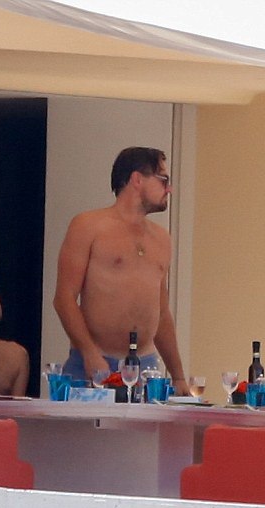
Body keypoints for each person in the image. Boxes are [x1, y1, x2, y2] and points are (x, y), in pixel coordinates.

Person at [53, 146, 187, 394]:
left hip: (144, 366)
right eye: (163, 179)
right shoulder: (89, 225)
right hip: (94, 362)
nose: (169, 189)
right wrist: (89, 352)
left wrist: (178, 376)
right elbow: (64, 298)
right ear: (137, 179)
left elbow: (161, 314)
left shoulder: (162, 238)